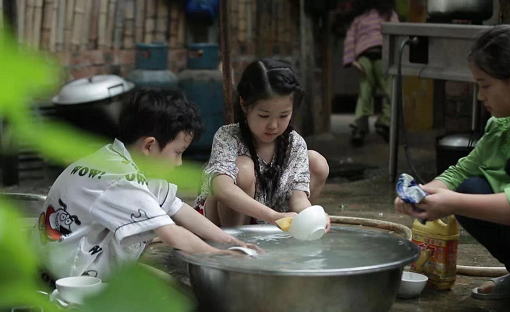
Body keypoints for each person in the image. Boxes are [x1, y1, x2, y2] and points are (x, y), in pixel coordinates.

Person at [30, 88, 255, 283]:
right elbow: (172, 235)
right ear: (149, 145)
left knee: (180, 293)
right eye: (178, 153)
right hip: (69, 281)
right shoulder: (121, 178)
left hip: (70, 266)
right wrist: (221, 257)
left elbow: (177, 208)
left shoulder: (122, 161)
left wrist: (230, 241)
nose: (179, 163)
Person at [395, 25, 510, 300]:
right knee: (472, 188)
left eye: (485, 86)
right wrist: (422, 194)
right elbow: (462, 170)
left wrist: (451, 202)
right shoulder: (502, 127)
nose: (481, 97)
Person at [194, 59, 330, 228]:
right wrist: (272, 215)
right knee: (243, 167)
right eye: (264, 116)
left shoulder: (294, 144)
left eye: (283, 116)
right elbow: (222, 188)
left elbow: (298, 197)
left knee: (317, 161)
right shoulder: (228, 136)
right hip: (221, 222)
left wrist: (311, 217)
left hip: (270, 220)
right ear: (244, 105)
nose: (273, 125)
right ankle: (235, 245)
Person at [343, 0, 398, 146]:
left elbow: (350, 38)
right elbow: (397, 36)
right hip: (378, 57)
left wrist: (351, 60)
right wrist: (352, 60)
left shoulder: (361, 18)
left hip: (370, 57)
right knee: (390, 92)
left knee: (366, 93)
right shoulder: (388, 15)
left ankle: (361, 127)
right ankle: (382, 123)